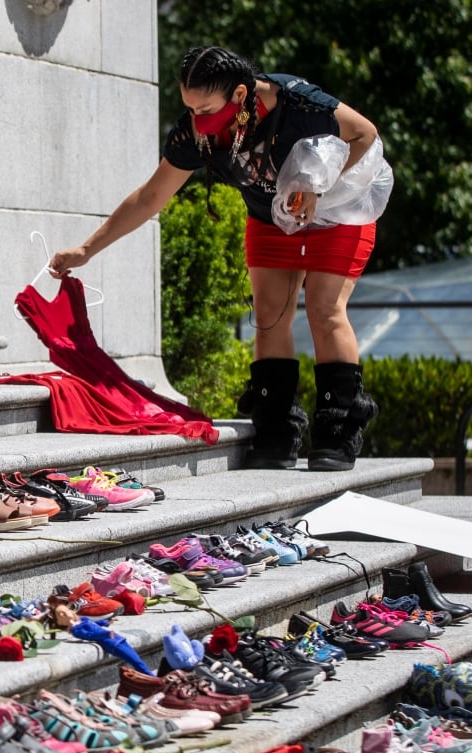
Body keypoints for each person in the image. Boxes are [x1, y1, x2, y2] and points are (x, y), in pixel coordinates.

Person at [50, 45, 384, 471]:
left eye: (206, 108)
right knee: (268, 312)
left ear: (241, 95)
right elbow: (151, 196)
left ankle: (338, 430)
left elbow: (365, 133)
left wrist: (319, 184)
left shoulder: (297, 104)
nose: (197, 120)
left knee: (323, 308)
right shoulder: (196, 136)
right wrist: (86, 249)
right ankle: (278, 429)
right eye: (189, 108)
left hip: (338, 213)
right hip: (270, 218)